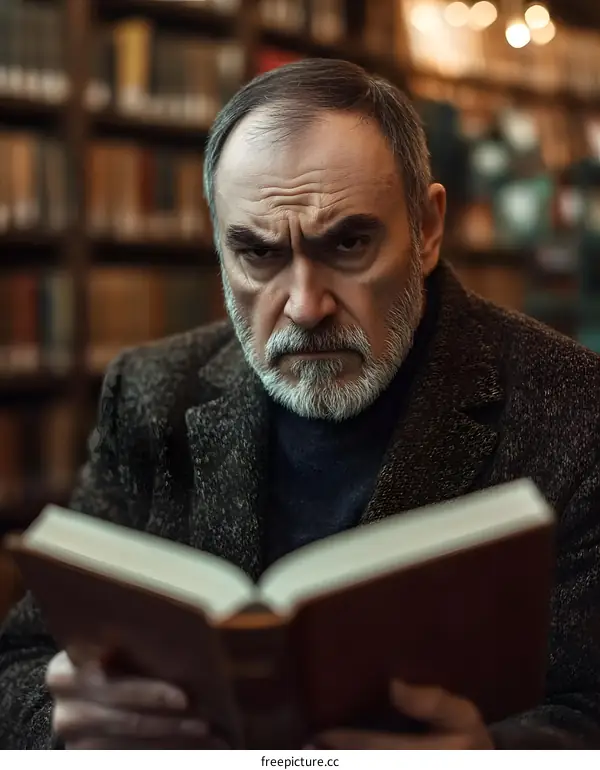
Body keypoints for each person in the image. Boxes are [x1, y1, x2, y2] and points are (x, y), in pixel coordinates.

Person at [1, 58, 600, 751]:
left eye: (348, 244)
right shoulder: (150, 392)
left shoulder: (575, 409)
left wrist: (497, 760)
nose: (305, 306)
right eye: (257, 254)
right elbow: (19, 662)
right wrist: (66, 722)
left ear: (428, 229)